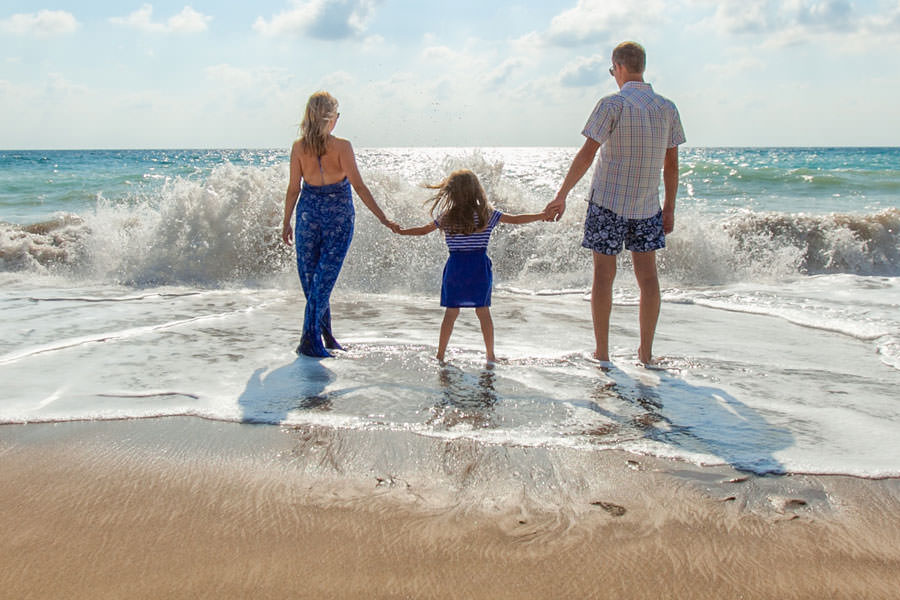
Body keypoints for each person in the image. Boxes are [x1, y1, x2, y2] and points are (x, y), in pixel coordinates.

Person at [545, 41, 685, 366]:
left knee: (603, 277)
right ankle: (646, 354)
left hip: (607, 203)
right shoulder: (667, 108)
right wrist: (670, 208)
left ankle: (603, 353)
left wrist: (562, 194)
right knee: (648, 279)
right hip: (648, 206)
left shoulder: (612, 105)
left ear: (618, 67)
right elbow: (672, 166)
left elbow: (586, 154)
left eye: (612, 70)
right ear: (643, 66)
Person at [281, 91, 399, 358]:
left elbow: (293, 189)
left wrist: (286, 221)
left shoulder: (299, 147)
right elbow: (358, 185)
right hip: (338, 216)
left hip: (308, 215)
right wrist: (383, 217)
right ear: (333, 118)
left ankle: (324, 336)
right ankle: (310, 339)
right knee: (321, 280)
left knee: (315, 281)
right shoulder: (342, 146)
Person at [396, 169, 548, 363]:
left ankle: (441, 354)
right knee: (483, 312)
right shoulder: (487, 215)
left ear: (451, 192)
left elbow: (423, 230)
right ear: (476, 190)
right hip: (478, 269)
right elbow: (516, 219)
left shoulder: (447, 217)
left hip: (456, 269)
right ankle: (490, 355)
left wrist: (401, 231)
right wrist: (541, 215)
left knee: (451, 313)